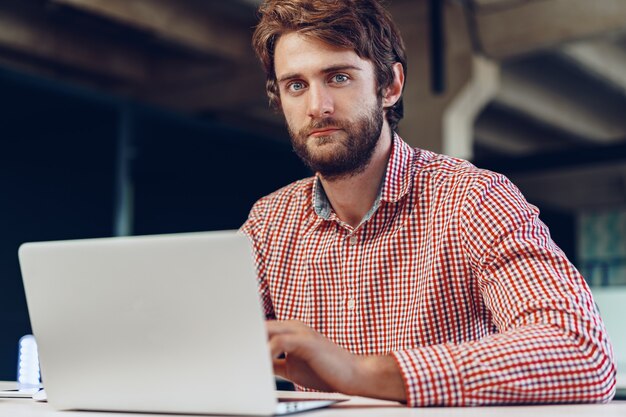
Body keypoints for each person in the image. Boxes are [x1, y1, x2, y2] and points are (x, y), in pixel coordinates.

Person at [241, 0, 616, 406]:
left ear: (390, 86)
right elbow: (199, 347)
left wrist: (359, 372)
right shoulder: (269, 222)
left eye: (339, 77)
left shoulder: (474, 198)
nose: (317, 107)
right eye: (296, 85)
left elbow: (582, 350)